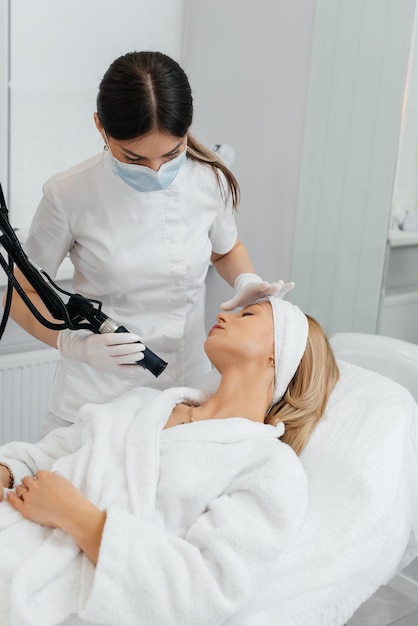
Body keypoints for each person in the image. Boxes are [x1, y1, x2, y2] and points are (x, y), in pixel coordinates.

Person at [0, 296, 339, 626]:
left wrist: (74, 514)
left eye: (247, 316)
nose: (224, 316)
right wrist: (6, 470)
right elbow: (44, 454)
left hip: (55, 593)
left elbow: (202, 592)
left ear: (277, 354)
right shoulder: (143, 404)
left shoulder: (270, 468)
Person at [4, 50, 293, 432]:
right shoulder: (69, 193)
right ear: (100, 127)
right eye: (135, 158)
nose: (157, 170)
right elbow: (23, 292)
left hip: (186, 393)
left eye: (172, 153)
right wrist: (71, 344)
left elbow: (226, 250)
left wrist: (246, 280)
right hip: (95, 401)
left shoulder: (210, 180)